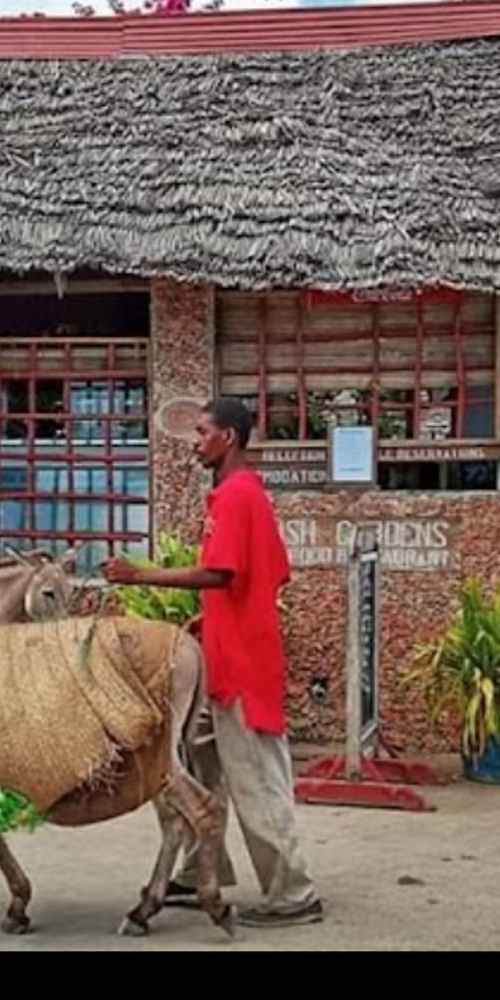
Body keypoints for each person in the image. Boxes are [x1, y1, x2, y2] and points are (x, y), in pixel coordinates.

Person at [102, 396, 323, 930]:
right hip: (223, 658)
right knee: (198, 762)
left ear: (229, 437)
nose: (195, 442)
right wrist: (217, 618)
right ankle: (200, 868)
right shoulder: (240, 494)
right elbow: (265, 574)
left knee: (254, 776)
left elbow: (221, 573)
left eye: (202, 432)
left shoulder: (237, 497)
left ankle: (293, 893)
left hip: (241, 664)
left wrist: (141, 577)